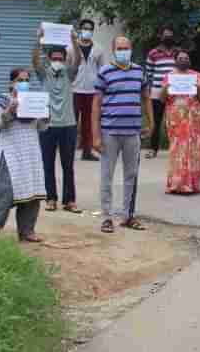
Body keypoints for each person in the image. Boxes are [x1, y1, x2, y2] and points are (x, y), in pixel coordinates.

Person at [92, 36, 154, 233]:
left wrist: (151, 123)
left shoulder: (139, 71)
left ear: (131, 49)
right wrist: (95, 136)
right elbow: (96, 105)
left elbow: (146, 98)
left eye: (126, 48)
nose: (123, 51)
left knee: (131, 176)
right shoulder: (105, 72)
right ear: (113, 50)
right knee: (107, 176)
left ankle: (128, 216)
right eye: (119, 48)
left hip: (133, 132)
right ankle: (107, 217)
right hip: (109, 132)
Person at [0, 68, 46, 243]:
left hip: (31, 152)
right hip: (12, 152)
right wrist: (9, 111)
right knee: (6, 191)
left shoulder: (34, 100)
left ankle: (27, 231)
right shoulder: (3, 100)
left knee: (32, 192)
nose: (23, 83)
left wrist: (45, 117)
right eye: (20, 80)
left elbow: (41, 128)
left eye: (26, 80)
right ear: (12, 82)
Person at [33, 28, 83, 214]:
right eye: (54, 58)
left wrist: (74, 42)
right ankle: (50, 198)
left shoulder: (69, 74)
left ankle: (69, 200)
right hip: (47, 125)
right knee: (47, 164)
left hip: (68, 125)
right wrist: (38, 40)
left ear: (64, 59)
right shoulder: (43, 74)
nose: (57, 61)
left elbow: (78, 59)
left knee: (68, 165)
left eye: (60, 58)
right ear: (49, 59)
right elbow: (35, 61)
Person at [160, 49, 200, 194]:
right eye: (181, 58)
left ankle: (192, 185)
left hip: (194, 121)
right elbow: (162, 98)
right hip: (176, 121)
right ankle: (175, 184)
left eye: (186, 58)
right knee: (177, 152)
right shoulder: (169, 77)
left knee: (193, 151)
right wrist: (166, 88)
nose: (184, 60)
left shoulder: (199, 77)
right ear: (175, 60)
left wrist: (198, 88)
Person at [73, 19, 107, 161]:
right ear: (80, 30)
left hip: (92, 91)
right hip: (74, 89)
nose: (87, 31)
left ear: (92, 31)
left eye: (90, 29)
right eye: (84, 28)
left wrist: (102, 90)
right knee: (71, 122)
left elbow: (102, 70)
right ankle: (68, 149)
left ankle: (87, 151)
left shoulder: (99, 49)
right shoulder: (71, 48)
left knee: (88, 122)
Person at [145, 26, 176, 159]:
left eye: (170, 35)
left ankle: (175, 149)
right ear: (161, 37)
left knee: (174, 121)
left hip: (174, 93)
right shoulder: (153, 53)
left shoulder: (177, 53)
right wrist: (147, 91)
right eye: (166, 35)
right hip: (157, 92)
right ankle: (153, 148)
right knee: (155, 121)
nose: (168, 37)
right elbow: (148, 74)